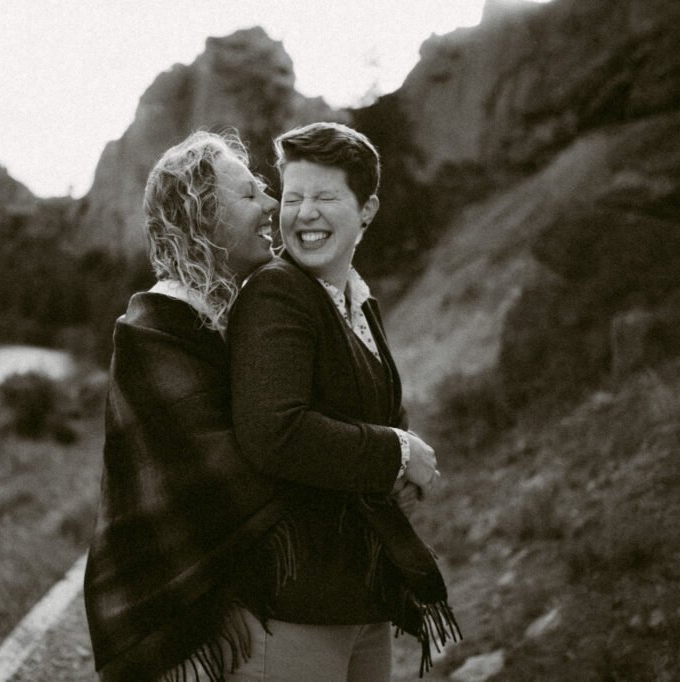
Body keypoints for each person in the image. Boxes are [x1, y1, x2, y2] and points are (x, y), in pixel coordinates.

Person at [227, 121, 460, 681]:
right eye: (294, 196)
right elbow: (275, 433)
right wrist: (396, 453)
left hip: (359, 594)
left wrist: (394, 455)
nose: (304, 213)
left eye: (326, 196)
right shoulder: (276, 292)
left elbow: (377, 410)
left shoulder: (357, 300)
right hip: (294, 607)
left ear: (368, 209)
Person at [83, 130, 296, 681]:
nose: (272, 204)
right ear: (202, 216)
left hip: (243, 610)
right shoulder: (152, 330)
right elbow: (231, 472)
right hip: (166, 612)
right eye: (250, 195)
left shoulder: (242, 317)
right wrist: (370, 463)